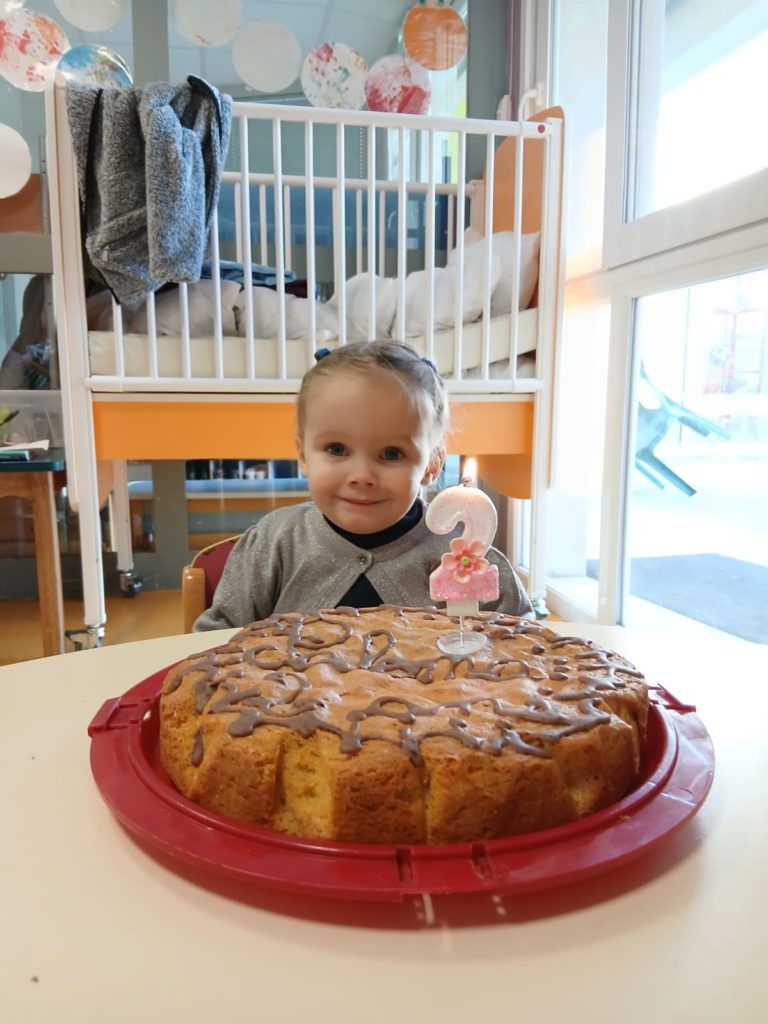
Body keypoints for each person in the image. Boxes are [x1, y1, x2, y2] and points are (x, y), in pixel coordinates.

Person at [194, 340, 533, 630]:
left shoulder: (467, 552)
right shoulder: (274, 542)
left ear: (431, 464)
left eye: (391, 453)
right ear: (303, 454)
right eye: (336, 449)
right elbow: (215, 642)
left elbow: (527, 643)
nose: (361, 475)